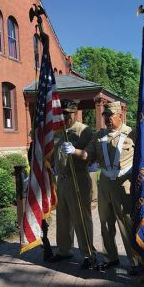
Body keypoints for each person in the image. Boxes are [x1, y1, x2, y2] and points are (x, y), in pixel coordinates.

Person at [62, 101, 139, 276]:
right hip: (104, 182)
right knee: (105, 222)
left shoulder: (132, 134)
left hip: (124, 183)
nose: (108, 119)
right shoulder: (99, 136)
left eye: (111, 115)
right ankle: (111, 257)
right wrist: (74, 151)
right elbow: (88, 154)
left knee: (126, 223)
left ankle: (135, 261)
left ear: (121, 115)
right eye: (105, 115)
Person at [51, 100, 96, 268]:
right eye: (63, 112)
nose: (65, 116)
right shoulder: (58, 131)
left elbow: (91, 155)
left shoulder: (84, 131)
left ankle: (88, 254)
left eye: (68, 113)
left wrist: (77, 152)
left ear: (75, 113)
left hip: (78, 178)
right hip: (61, 180)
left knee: (81, 219)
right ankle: (64, 250)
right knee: (63, 218)